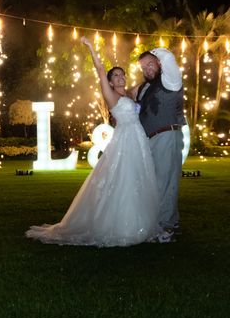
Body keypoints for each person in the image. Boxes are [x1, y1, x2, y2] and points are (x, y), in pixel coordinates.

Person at [25, 36, 161, 247]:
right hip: (124, 140)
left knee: (138, 178)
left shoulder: (133, 92)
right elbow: (99, 69)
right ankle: (122, 226)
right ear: (109, 81)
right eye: (115, 75)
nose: (119, 77)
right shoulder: (111, 95)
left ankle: (141, 223)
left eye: (122, 74)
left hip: (139, 140)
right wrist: (90, 47)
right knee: (122, 179)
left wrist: (156, 62)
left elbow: (151, 79)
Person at [136, 47, 186, 243]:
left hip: (167, 134)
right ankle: (171, 222)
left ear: (159, 63)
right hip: (152, 139)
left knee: (165, 183)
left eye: (150, 63)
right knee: (160, 182)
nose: (147, 69)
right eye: (143, 67)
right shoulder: (146, 87)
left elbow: (170, 59)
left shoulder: (170, 79)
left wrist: (157, 52)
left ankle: (165, 228)